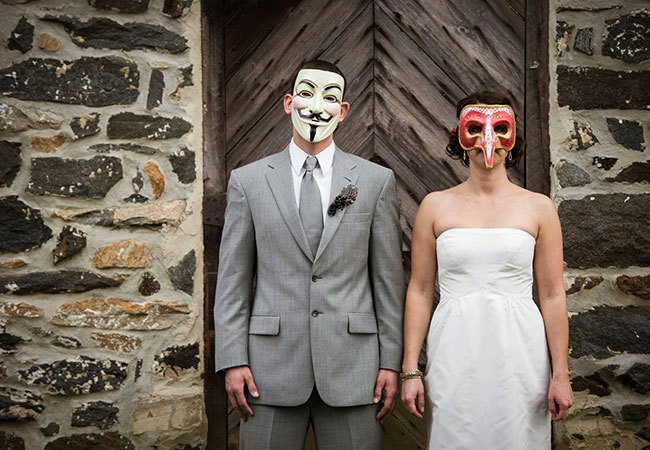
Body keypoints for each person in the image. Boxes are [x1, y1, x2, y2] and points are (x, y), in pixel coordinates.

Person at [214, 60, 404, 449]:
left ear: (344, 110)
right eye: (306, 93)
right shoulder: (248, 182)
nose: (316, 106)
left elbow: (388, 282)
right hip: (268, 370)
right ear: (288, 103)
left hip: (355, 370)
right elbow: (233, 280)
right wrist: (232, 359)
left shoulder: (374, 181)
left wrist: (390, 361)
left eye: (330, 98)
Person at [400, 91, 574, 449]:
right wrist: (410, 370)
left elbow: (553, 294)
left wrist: (561, 373)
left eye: (499, 128)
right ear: (459, 136)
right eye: (475, 129)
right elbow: (419, 290)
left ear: (514, 140)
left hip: (519, 352)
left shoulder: (539, 208)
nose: (487, 140)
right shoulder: (434, 206)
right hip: (454, 349)